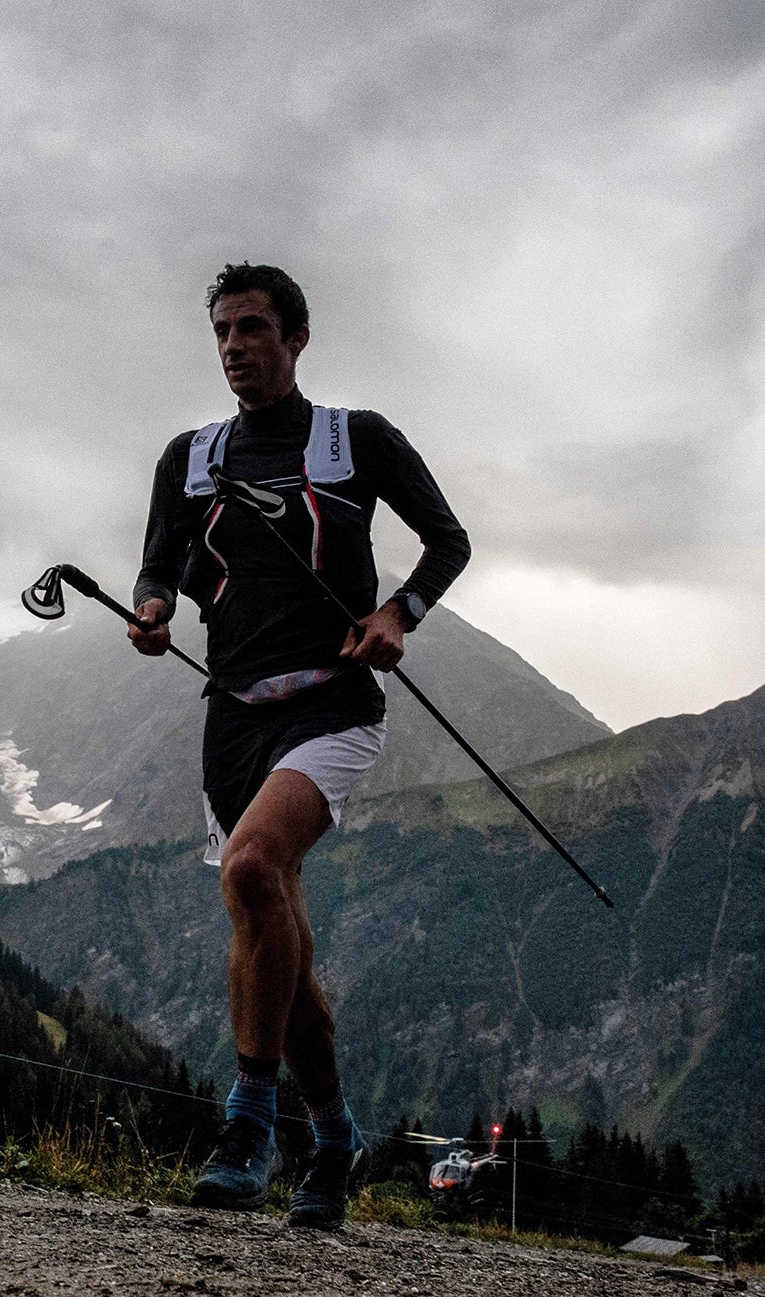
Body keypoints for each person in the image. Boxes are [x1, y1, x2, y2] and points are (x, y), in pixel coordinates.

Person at [130, 262, 470, 1229]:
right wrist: (153, 608)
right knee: (281, 942)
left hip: (332, 704)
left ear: (297, 336)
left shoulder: (355, 439)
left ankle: (249, 1126)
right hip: (232, 714)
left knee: (248, 871)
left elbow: (448, 540)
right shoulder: (187, 458)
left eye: (253, 328)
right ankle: (333, 1140)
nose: (236, 347)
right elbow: (161, 562)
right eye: (223, 334)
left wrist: (397, 612)